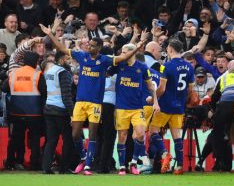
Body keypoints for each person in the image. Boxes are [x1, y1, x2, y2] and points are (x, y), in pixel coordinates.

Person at [40, 24, 144, 175]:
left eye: (93, 45)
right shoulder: (82, 56)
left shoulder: (104, 60)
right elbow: (62, 49)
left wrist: (137, 46)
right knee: (75, 133)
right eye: (89, 44)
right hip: (80, 102)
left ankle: (88, 165)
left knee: (93, 134)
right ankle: (83, 157)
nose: (89, 47)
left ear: (99, 48)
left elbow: (123, 57)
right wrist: (50, 34)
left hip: (95, 103)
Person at [148, 39, 195, 175]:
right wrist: (182, 101)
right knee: (177, 137)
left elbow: (162, 89)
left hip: (165, 105)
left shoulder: (166, 66)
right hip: (179, 106)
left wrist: (153, 98)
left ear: (170, 50)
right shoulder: (190, 67)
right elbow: (190, 90)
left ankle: (164, 154)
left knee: (153, 132)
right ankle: (179, 166)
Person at [112, 44, 159, 175]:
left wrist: (155, 102)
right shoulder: (119, 65)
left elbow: (151, 86)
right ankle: (122, 166)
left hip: (137, 107)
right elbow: (106, 70)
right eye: (122, 52)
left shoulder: (142, 67)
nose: (122, 54)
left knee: (141, 134)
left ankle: (133, 162)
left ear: (132, 53)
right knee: (122, 136)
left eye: (124, 52)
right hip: (121, 107)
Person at [3, 51, 47, 170]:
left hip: (16, 112)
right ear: (35, 61)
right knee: (35, 139)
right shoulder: (37, 74)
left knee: (16, 138)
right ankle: (34, 164)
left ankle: (12, 162)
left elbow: (4, 88)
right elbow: (44, 92)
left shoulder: (13, 74)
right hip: (34, 113)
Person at [42, 51, 74, 174]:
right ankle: (64, 169)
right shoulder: (63, 73)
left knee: (51, 140)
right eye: (67, 58)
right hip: (61, 110)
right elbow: (66, 96)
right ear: (61, 60)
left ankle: (46, 168)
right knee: (67, 140)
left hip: (49, 108)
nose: (70, 61)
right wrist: (72, 114)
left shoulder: (50, 71)